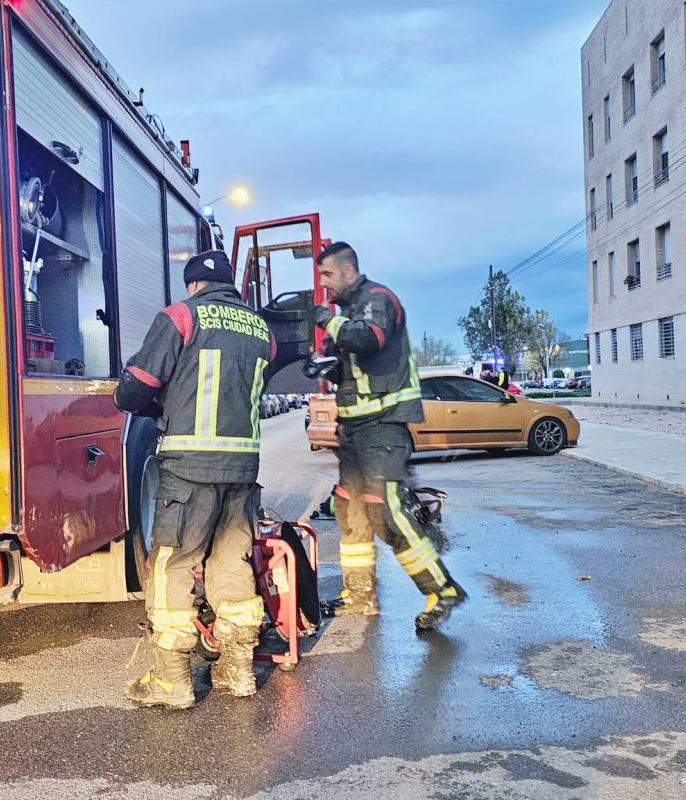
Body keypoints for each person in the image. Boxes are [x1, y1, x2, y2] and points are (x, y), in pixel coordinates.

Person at [114, 249, 275, 709]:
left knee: (173, 564)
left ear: (193, 285)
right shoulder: (260, 328)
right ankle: (239, 670)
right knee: (232, 562)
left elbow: (139, 385)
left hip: (188, 469)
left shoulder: (181, 316)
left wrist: (130, 395)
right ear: (230, 284)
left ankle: (172, 681)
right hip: (243, 470)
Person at [310, 241, 465, 630]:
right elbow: (346, 359)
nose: (324, 284)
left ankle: (442, 590)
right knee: (349, 510)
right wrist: (324, 366)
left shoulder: (378, 300)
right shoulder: (347, 314)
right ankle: (359, 595)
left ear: (348, 272)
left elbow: (368, 339)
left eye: (327, 274)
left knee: (387, 512)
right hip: (355, 432)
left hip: (383, 426)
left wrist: (323, 319)